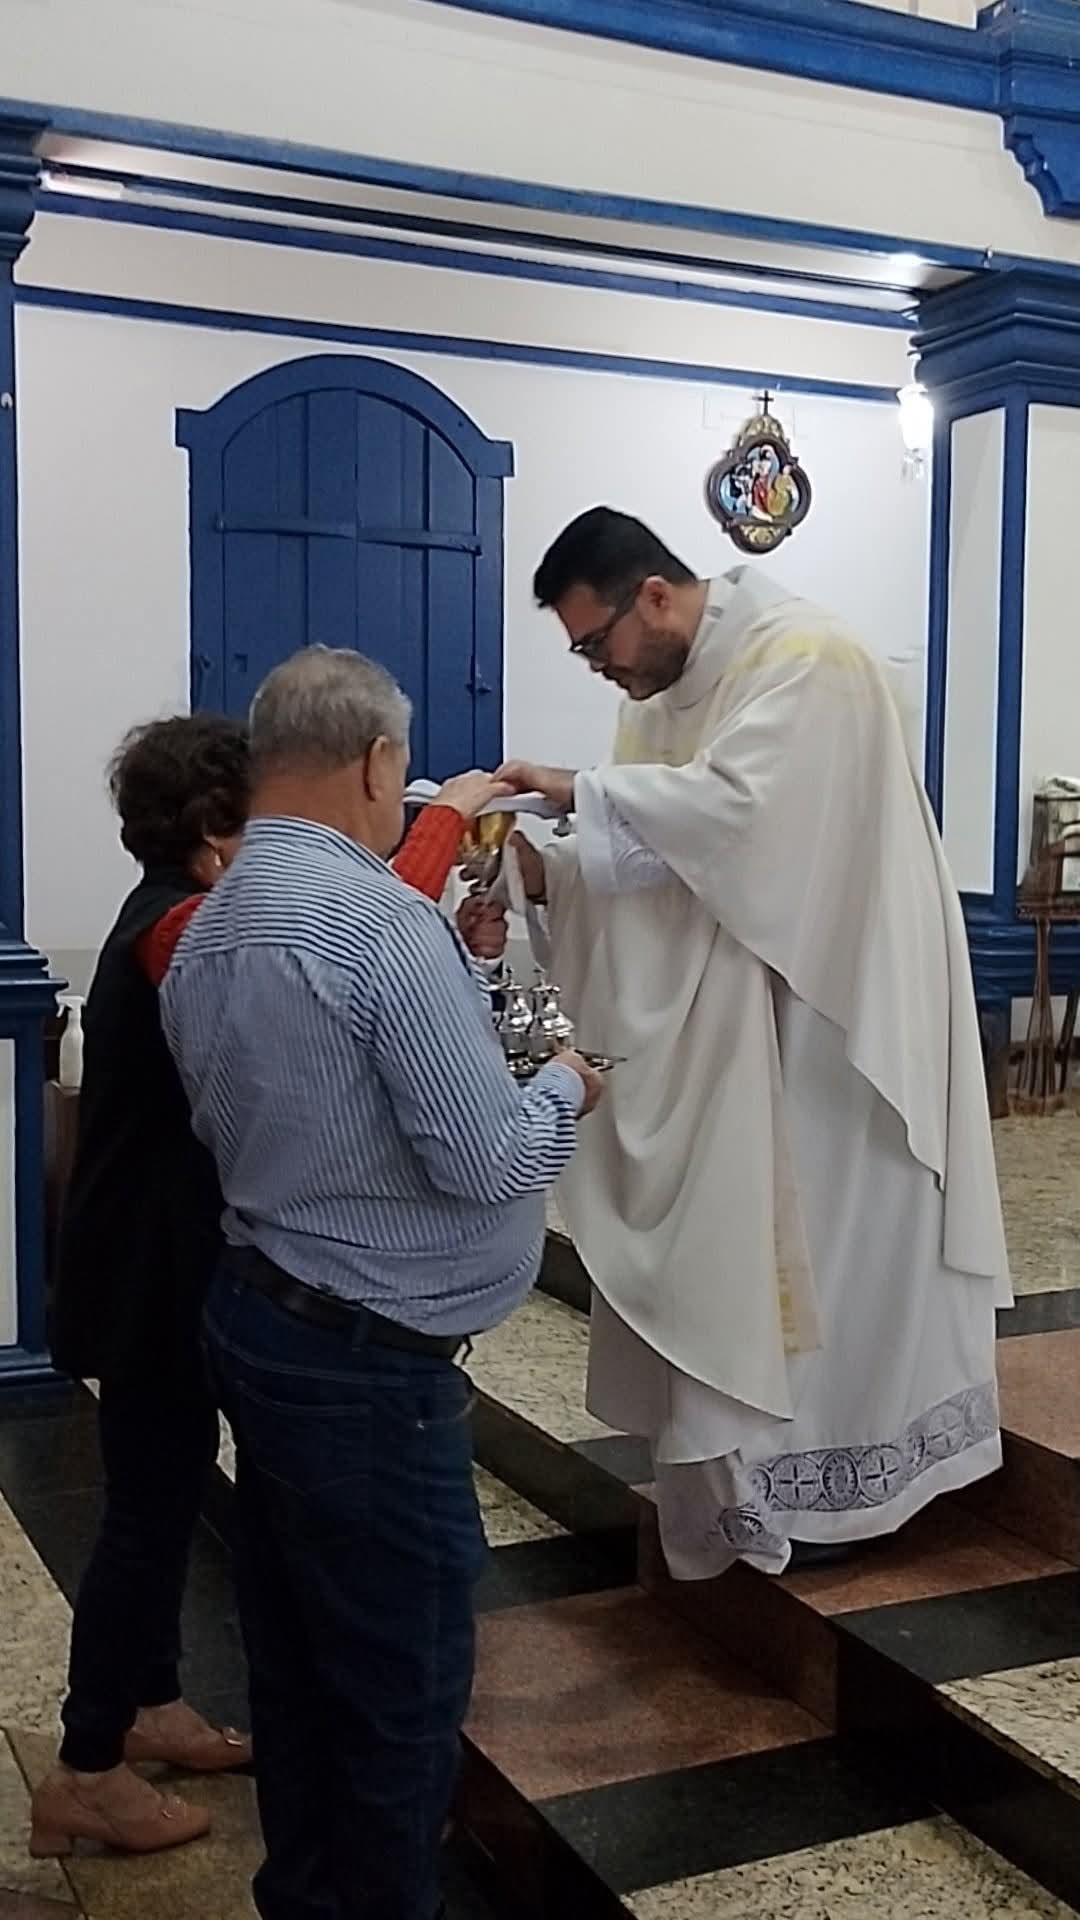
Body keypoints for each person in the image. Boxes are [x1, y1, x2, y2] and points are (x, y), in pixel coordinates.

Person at [160, 647, 603, 1920]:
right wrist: (565, 1084)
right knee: (402, 1693)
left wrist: (454, 980)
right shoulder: (376, 925)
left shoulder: (210, 922)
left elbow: (303, 1109)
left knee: (301, 1664)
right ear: (376, 762)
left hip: (266, 1314)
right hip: (365, 1368)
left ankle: (304, 1898)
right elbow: (491, 1158)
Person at [495, 506, 1010, 1582]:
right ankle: (745, 1492)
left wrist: (580, 793)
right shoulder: (656, 700)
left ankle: (847, 1487)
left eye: (595, 643)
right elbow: (663, 864)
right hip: (729, 1032)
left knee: (833, 1250)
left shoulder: (810, 658)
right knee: (745, 1255)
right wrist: (551, 870)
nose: (598, 668)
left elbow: (741, 821)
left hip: (840, 1017)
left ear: (654, 596)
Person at [33, 714, 511, 1862]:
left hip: (171, 1263)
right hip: (151, 1277)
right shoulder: (180, 925)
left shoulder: (181, 910)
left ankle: (150, 1704)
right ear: (213, 835)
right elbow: (352, 937)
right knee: (147, 1517)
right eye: (268, 826)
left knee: (160, 1497)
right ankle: (87, 1767)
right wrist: (446, 818)